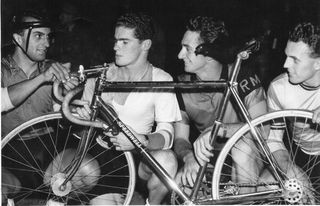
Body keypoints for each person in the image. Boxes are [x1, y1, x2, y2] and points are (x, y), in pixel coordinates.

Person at [76, 13, 181, 205]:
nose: (115, 47)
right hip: (101, 154)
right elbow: (82, 122)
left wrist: (139, 141)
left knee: (168, 161)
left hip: (138, 157)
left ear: (145, 45)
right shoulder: (102, 74)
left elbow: (167, 135)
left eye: (124, 42)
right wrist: (81, 115)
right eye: (116, 41)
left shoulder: (161, 80)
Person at [174, 16, 267, 190]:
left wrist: (219, 130)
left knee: (242, 149)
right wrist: (189, 157)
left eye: (187, 49)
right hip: (211, 157)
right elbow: (180, 138)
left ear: (208, 55)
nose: (180, 55)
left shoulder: (241, 75)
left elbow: (262, 130)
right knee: (181, 182)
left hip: (248, 155)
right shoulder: (182, 85)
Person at [260, 22, 320, 201]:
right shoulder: (279, 88)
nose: (285, 64)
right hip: (300, 152)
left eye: (295, 59)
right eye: (286, 56)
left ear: (318, 63)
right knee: (265, 184)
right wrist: (289, 168)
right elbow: (273, 138)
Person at [1, 10, 78, 137]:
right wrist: (42, 78)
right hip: (8, 148)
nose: (47, 44)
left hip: (47, 145)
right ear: (18, 39)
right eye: (38, 36)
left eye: (48, 37)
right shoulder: (3, 69)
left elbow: (60, 115)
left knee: (88, 158)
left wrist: (72, 105)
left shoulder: (52, 67)